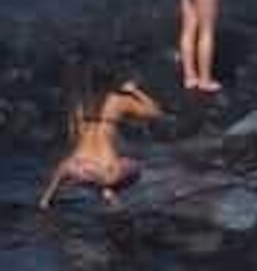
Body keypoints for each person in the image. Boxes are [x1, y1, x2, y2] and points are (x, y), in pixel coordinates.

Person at [37, 69, 163, 209]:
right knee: (137, 167)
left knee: (63, 166)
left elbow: (73, 134)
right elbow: (155, 112)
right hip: (109, 171)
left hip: (81, 169)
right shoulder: (119, 100)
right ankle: (108, 190)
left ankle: (45, 200)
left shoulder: (82, 102)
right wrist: (135, 91)